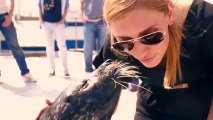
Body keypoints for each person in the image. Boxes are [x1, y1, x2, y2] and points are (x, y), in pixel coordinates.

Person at [93, 0, 213, 119]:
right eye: (126, 42)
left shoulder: (205, 21)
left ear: (170, 13)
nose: (140, 53)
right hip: (152, 108)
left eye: (150, 36)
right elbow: (99, 97)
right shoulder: (117, 45)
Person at [0, 0, 36, 82]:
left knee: (14, 45)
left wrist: (10, 16)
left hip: (4, 16)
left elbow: (12, 1)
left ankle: (25, 72)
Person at [38, 0, 70, 77]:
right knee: (49, 46)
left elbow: (66, 6)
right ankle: (52, 69)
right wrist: (40, 19)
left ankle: (65, 70)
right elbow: (39, 5)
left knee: (62, 46)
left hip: (59, 23)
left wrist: (63, 19)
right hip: (46, 23)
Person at [79, 0, 107, 73]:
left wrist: (106, 16)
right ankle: (88, 70)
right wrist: (81, 16)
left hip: (101, 22)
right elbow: (81, 4)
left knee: (102, 48)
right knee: (88, 48)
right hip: (89, 23)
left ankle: (100, 70)